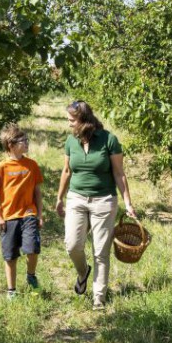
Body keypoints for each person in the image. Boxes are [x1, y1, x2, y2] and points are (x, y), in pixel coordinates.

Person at [55, 100, 137, 309]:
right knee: (72, 244)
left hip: (104, 200)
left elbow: (119, 173)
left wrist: (128, 202)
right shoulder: (71, 141)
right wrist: (59, 198)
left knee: (101, 251)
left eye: (72, 120)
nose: (69, 124)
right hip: (76, 198)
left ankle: (98, 297)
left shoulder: (109, 139)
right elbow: (66, 171)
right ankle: (83, 272)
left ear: (83, 120)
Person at [0, 123, 43, 298]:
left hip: (29, 214)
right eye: (22, 140)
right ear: (10, 145)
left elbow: (37, 192)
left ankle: (31, 275)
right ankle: (11, 291)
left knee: (32, 248)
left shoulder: (32, 165)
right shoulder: (2, 167)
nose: (26, 143)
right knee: (10, 256)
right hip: (9, 217)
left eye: (27, 140)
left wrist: (39, 215)